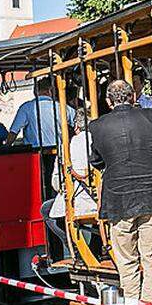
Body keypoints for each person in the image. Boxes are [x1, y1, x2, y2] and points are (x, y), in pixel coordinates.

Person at [88, 80, 152, 305]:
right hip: (151, 197)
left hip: (118, 201)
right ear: (133, 96)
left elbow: (96, 161)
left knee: (127, 264)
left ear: (108, 101)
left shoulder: (98, 126)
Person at [41, 110, 97, 260]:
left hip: (78, 201)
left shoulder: (67, 146)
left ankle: (76, 249)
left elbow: (56, 181)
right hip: (103, 199)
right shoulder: (101, 140)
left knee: (46, 210)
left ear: (76, 127)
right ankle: (96, 247)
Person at [8, 78, 75, 147]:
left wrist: (6, 147)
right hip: (59, 151)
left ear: (35, 91)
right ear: (50, 91)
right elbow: (78, 123)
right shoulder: (62, 107)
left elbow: (14, 131)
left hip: (35, 153)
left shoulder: (26, 107)